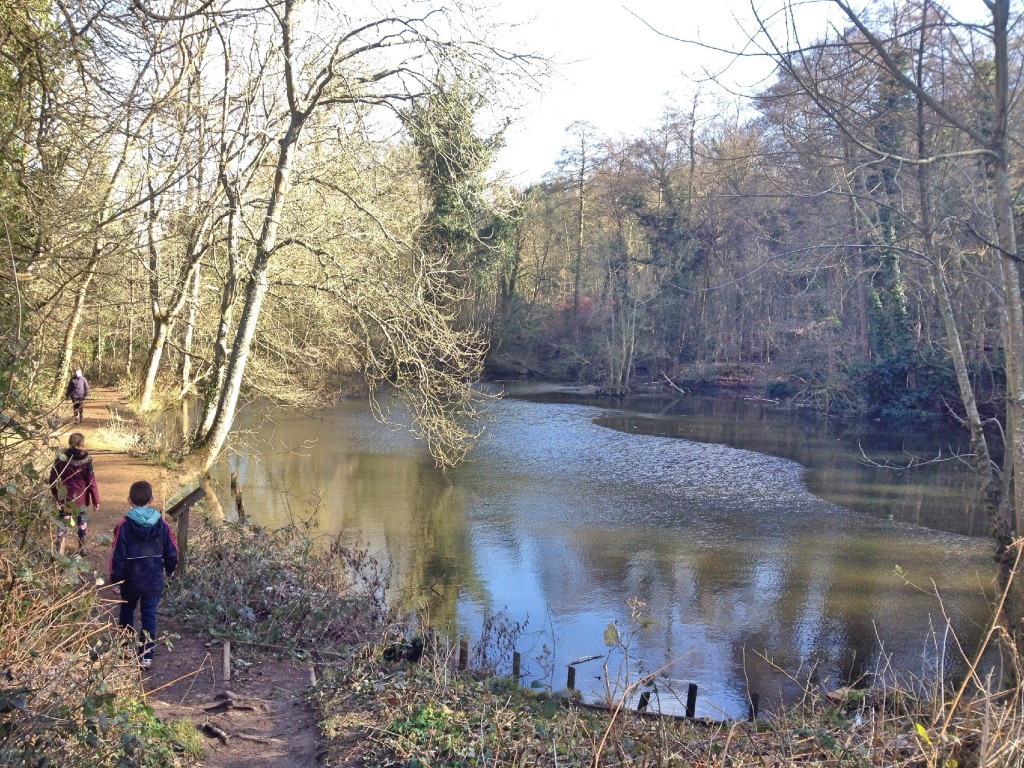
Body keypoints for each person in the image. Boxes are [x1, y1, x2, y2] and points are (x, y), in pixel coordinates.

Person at [109, 480, 178, 670]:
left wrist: (116, 581)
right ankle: (146, 656)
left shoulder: (124, 525)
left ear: (129, 500)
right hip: (153, 578)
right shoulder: (161, 524)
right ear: (152, 499)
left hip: (130, 579)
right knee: (149, 615)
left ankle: (126, 648)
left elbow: (117, 555)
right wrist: (170, 569)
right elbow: (172, 550)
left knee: (127, 611)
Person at [48, 432, 99, 554]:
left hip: (65, 498)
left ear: (70, 443)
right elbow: (91, 481)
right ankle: (83, 548)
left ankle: (59, 551)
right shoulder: (87, 460)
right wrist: (95, 500)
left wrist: (56, 495)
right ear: (82, 444)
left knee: (63, 523)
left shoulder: (61, 458)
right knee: (82, 522)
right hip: (81, 498)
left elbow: (52, 479)